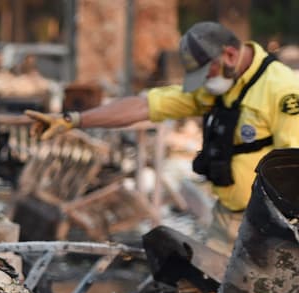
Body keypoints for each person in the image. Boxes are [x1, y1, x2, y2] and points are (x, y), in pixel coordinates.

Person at [27, 21, 299, 255]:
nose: (205, 82)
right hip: (227, 216)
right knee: (212, 289)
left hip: (271, 226)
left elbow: (292, 168)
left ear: (229, 54)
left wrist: (283, 231)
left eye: (207, 73)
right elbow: (143, 106)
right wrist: (73, 120)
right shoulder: (220, 84)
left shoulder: (282, 90)